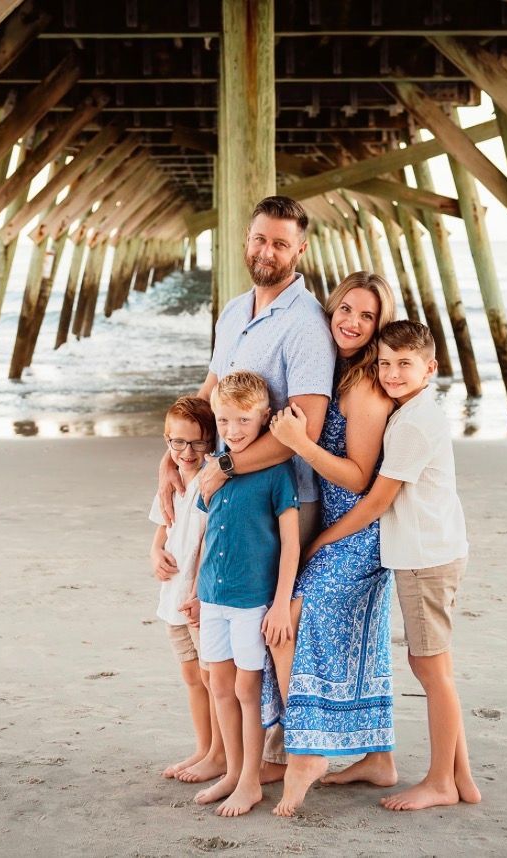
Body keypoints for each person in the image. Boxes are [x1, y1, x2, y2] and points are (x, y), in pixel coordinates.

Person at [157, 195, 335, 782]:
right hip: (222, 490)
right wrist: (173, 458)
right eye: (260, 238)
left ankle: (267, 761)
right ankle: (220, 754)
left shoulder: (306, 324)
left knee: (262, 631)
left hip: (279, 500)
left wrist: (226, 469)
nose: (267, 251)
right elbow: (210, 401)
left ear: (300, 250)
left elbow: (301, 426)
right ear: (246, 238)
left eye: (281, 243)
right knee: (209, 616)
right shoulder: (234, 310)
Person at [301, 321, 482, 812]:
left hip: (427, 558)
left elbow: (377, 500)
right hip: (431, 551)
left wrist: (323, 539)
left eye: (405, 364)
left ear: (431, 367)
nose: (392, 373)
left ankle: (441, 783)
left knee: (429, 668)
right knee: (435, 666)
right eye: (384, 363)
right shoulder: (413, 412)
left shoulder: (413, 425)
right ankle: (460, 778)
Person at [262, 273, 401, 817]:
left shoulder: (365, 388)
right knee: (341, 640)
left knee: (288, 625)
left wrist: (298, 443)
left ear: (378, 325)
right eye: (346, 309)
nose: (352, 322)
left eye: (367, 317)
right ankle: (378, 758)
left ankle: (308, 752)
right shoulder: (336, 368)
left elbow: (360, 478)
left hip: (358, 531)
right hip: (332, 525)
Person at [191, 371, 301, 817]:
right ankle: (233, 773)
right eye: (223, 421)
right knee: (218, 683)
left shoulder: (276, 472)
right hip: (212, 595)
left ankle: (252, 780)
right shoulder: (214, 468)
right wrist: (196, 589)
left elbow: (290, 543)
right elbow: (206, 535)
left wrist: (279, 603)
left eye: (243, 420)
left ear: (263, 418)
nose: (233, 431)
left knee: (246, 688)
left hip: (252, 600)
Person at [146, 396, 224, 782]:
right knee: (192, 677)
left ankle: (218, 753)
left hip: (199, 599)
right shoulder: (172, 482)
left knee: (213, 677)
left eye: (197, 442)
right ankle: (202, 747)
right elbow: (165, 525)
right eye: (178, 442)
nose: (187, 451)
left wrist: (199, 593)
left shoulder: (211, 483)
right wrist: (154, 550)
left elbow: (212, 541)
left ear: (211, 442)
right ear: (167, 441)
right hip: (172, 598)